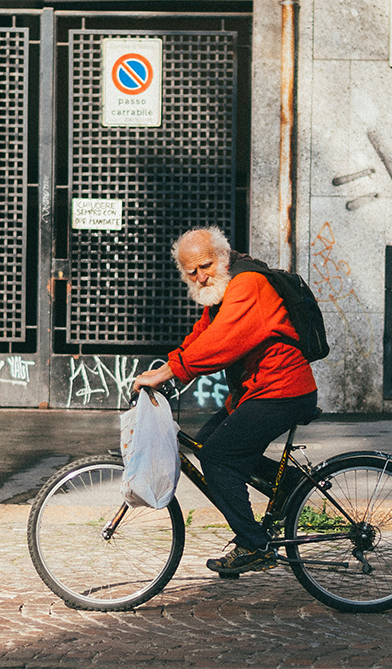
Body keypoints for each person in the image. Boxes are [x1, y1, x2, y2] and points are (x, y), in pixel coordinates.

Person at [132, 226, 318, 576]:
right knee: (205, 443)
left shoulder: (248, 284)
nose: (201, 277)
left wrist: (171, 372)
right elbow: (202, 336)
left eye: (205, 266)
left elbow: (222, 343)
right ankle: (292, 484)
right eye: (192, 272)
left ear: (222, 256)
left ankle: (255, 545)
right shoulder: (224, 290)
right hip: (260, 390)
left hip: (283, 390)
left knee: (218, 457)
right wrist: (167, 367)